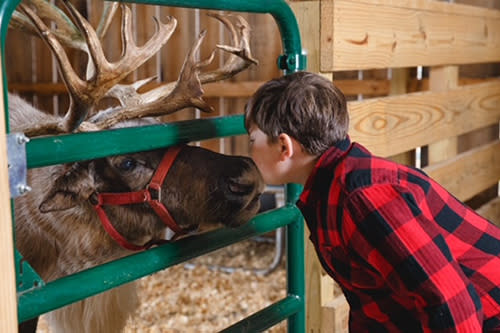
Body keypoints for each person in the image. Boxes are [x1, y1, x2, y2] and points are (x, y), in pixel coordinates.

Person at [244, 71, 500, 332]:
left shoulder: (362, 198)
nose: (249, 151)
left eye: (252, 140)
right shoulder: (328, 193)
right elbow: (372, 302)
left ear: (284, 147)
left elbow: (450, 305)